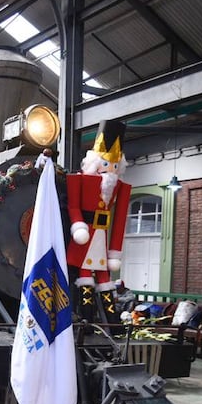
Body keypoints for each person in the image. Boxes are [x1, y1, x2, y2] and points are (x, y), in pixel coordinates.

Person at [66, 119, 132, 326]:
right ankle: (86, 319)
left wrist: (115, 251)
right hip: (85, 237)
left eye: (114, 165)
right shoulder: (80, 181)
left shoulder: (119, 187)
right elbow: (73, 207)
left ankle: (111, 321)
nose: (109, 170)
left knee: (105, 280)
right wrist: (78, 225)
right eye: (106, 164)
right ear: (96, 163)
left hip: (102, 237)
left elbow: (120, 221)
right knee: (85, 276)